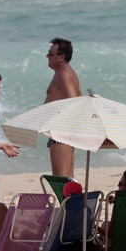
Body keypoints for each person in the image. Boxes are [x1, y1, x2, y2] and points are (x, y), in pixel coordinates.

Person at [44, 37, 82, 178]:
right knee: (67, 178)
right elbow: (80, 98)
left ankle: (66, 201)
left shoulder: (64, 74)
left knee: (60, 178)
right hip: (63, 132)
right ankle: (72, 201)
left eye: (51, 53)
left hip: (61, 132)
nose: (47, 56)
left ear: (62, 57)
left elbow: (72, 102)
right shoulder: (65, 72)